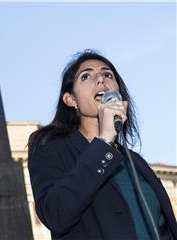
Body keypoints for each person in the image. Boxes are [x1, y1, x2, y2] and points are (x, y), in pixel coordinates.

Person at [27, 50, 177, 240]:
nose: (100, 79)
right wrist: (104, 141)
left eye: (107, 74)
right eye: (86, 76)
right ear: (70, 99)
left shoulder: (135, 161)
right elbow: (55, 214)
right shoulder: (50, 149)